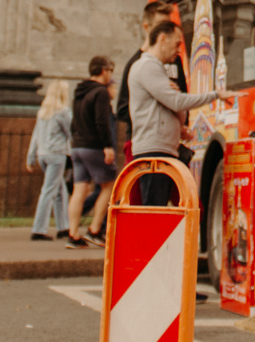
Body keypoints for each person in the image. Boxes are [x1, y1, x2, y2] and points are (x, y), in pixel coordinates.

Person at [127, 18, 231, 207]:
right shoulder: (147, 67)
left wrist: (178, 126)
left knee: (169, 208)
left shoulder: (153, 68)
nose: (178, 51)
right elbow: (177, 102)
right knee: (156, 211)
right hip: (155, 152)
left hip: (161, 150)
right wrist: (216, 94)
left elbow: (171, 104)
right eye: (176, 44)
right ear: (162, 39)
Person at [66, 55, 116, 247]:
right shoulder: (101, 93)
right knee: (108, 185)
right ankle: (94, 230)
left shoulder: (79, 91)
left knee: (79, 190)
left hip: (77, 145)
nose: (110, 75)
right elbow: (102, 121)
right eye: (110, 71)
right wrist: (107, 146)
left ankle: (73, 234)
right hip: (93, 146)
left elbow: (74, 121)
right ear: (103, 70)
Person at [25, 79, 74, 241]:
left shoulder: (44, 111)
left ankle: (64, 227)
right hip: (56, 154)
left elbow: (35, 135)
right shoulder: (63, 112)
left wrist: (31, 157)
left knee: (59, 190)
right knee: (49, 191)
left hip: (43, 154)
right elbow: (71, 133)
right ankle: (38, 229)